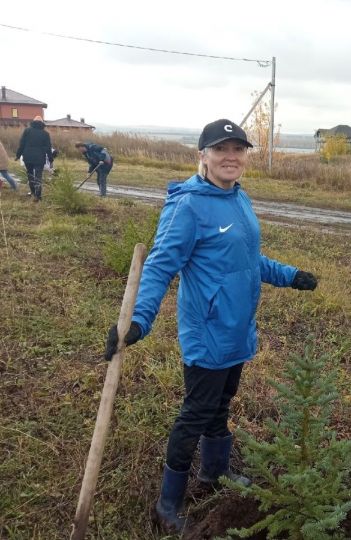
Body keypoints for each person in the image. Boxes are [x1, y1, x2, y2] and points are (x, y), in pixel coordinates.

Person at [104, 118, 319, 533]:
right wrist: (138, 320)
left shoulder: (239, 198)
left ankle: (214, 473)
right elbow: (160, 266)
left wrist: (290, 275)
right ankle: (168, 505)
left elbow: (247, 259)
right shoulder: (188, 205)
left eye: (238, 149)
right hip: (208, 332)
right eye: (221, 149)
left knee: (221, 405)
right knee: (196, 413)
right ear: (202, 155)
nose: (231, 157)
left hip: (238, 329)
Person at [15, 116, 53, 201]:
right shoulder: (45, 134)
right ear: (42, 123)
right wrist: (51, 159)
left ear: (33, 122)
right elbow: (48, 148)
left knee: (30, 175)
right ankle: (38, 196)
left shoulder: (27, 131)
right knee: (38, 176)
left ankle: (32, 192)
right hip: (39, 157)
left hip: (28, 156)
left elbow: (22, 144)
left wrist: (18, 155)